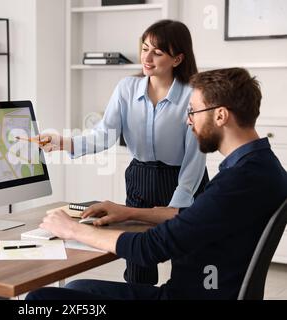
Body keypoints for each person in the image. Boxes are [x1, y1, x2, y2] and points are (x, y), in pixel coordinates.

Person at [26, 67, 287, 300]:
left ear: (220, 116)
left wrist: (73, 230)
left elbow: (150, 248)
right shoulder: (259, 166)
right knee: (75, 288)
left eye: (193, 111)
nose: (188, 120)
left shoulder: (239, 180)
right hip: (193, 292)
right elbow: (194, 217)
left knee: (40, 299)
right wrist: (129, 212)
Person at [35, 19, 209, 285]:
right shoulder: (127, 88)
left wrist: (177, 205)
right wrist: (63, 142)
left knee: (188, 262)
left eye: (158, 52)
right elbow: (104, 135)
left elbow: (195, 158)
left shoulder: (193, 95)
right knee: (138, 264)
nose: (147, 57)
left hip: (184, 179)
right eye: (145, 48)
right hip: (140, 178)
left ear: (178, 59)